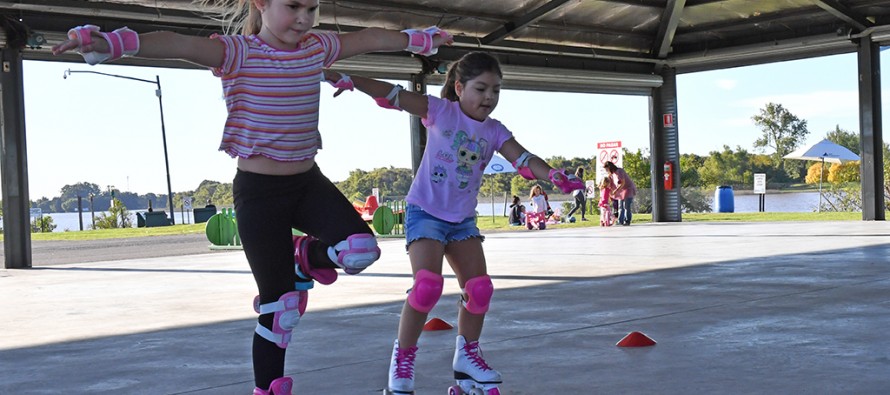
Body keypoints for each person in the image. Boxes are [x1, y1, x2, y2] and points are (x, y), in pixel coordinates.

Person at [52, 2, 453, 394]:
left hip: (307, 184)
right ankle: (267, 388)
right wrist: (112, 43)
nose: (304, 19)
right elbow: (177, 43)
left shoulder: (317, 47)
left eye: (312, 9)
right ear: (261, 4)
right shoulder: (237, 52)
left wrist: (416, 39)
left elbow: (367, 39)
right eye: (293, 7)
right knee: (280, 312)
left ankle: (303, 257)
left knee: (362, 250)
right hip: (259, 194)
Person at [323, 51, 583, 395]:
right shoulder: (441, 111)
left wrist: (552, 174)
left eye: (496, 90)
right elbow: (393, 94)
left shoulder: (494, 130)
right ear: (459, 88)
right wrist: (352, 80)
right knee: (427, 286)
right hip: (425, 212)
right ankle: (403, 359)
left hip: (461, 221)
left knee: (480, 289)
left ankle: (467, 357)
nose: (489, 97)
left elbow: (523, 158)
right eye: (481, 89)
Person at [604, 161, 637, 226]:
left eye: (607, 169)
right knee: (620, 206)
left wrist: (616, 191)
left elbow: (623, 182)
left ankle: (627, 221)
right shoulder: (612, 174)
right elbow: (610, 183)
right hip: (621, 191)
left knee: (626, 206)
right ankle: (620, 221)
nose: (606, 171)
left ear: (610, 167)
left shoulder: (619, 171)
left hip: (628, 189)